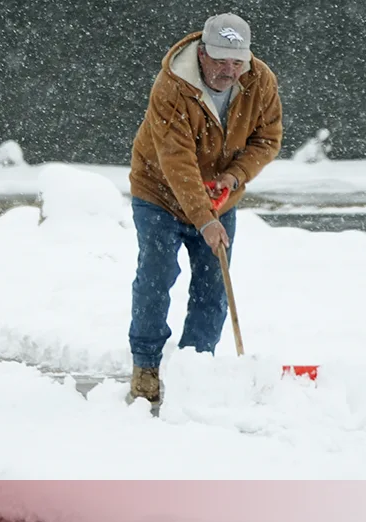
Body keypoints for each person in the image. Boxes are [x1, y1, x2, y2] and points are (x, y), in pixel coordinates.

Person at [126, 13, 283, 403]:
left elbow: (268, 139)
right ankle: (146, 363)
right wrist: (205, 219)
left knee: (213, 284)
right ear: (202, 53)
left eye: (236, 61)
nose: (228, 71)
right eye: (220, 60)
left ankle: (197, 366)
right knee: (157, 275)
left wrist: (234, 176)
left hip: (219, 193)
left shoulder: (259, 80)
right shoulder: (172, 87)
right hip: (159, 193)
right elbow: (175, 161)